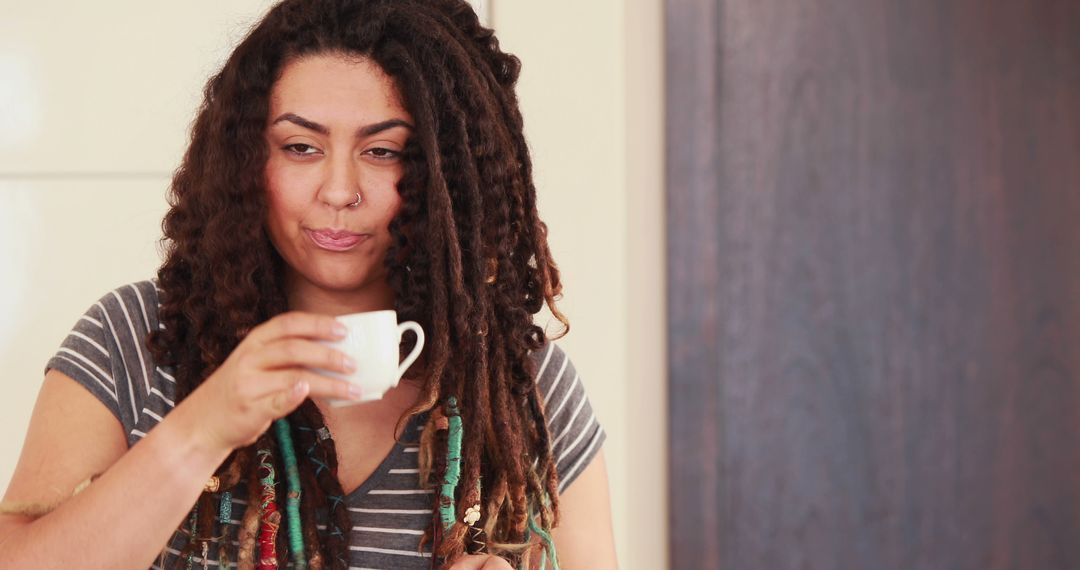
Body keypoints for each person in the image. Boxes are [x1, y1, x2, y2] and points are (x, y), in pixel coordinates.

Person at [0, 1, 618, 568]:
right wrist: (201, 430)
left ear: (446, 177)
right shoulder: (132, 343)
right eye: (300, 147)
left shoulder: (524, 392)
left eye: (383, 152)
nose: (338, 190)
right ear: (247, 161)